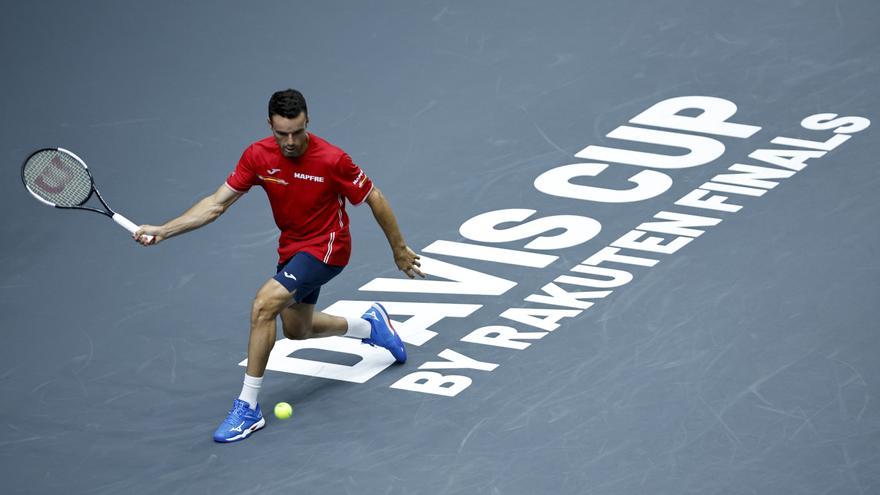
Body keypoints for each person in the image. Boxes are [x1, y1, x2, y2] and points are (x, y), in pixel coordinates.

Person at [133, 89, 425, 442]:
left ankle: (248, 407)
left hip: (328, 248)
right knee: (298, 330)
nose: (290, 141)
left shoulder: (332, 159)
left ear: (307, 123)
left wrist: (398, 248)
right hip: (292, 249)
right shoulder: (258, 156)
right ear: (269, 125)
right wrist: (166, 230)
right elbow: (215, 204)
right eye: (281, 133)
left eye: (297, 132)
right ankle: (370, 327)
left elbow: (373, 196)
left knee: (263, 305)